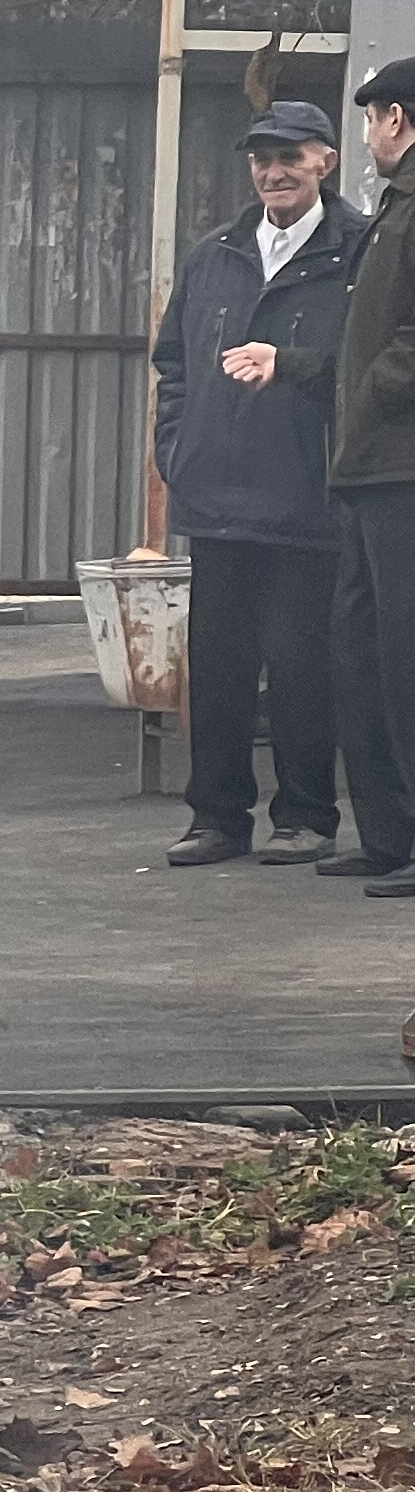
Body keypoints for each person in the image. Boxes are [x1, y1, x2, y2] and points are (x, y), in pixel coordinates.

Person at [151, 98, 370, 867]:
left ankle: (306, 814)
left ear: (326, 162)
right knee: (217, 667)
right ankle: (216, 816)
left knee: (305, 666)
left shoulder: (360, 254)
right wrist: (178, 451)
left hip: (310, 498)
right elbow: (173, 364)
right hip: (217, 497)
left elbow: (368, 368)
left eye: (291, 156)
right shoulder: (216, 252)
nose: (274, 171)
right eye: (262, 159)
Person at [333, 62, 415, 906]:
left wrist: (371, 391)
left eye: (370, 120)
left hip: (402, 464)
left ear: (396, 117)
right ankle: (387, 833)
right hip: (367, 463)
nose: (367, 136)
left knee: (405, 656)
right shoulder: (394, 210)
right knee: (361, 653)